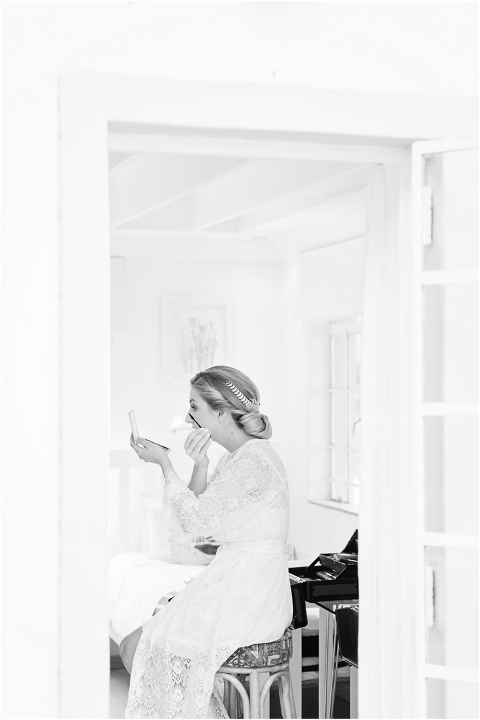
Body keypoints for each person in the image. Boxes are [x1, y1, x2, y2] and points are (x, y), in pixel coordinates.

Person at [122, 365, 292, 719]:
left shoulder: (254, 461)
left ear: (220, 413)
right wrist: (199, 464)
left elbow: (194, 519)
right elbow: (193, 522)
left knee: (136, 645)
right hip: (235, 583)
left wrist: (165, 464)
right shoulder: (235, 457)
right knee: (137, 643)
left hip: (252, 596)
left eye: (194, 407)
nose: (188, 417)